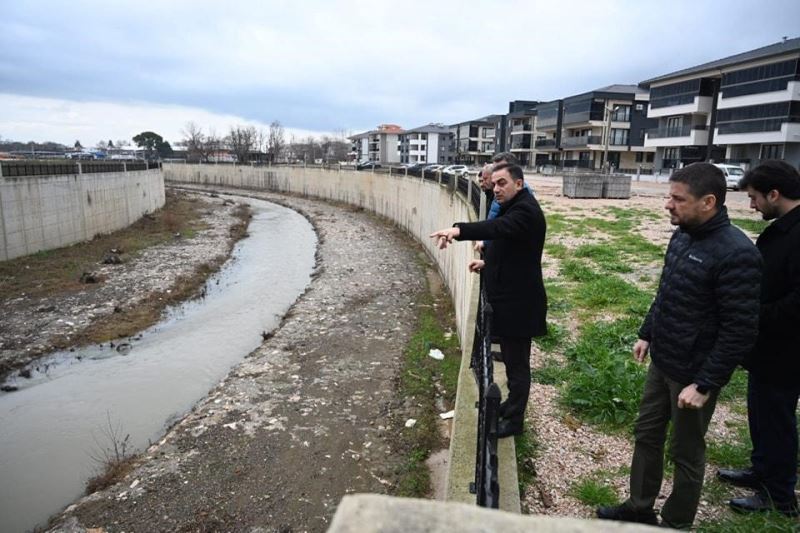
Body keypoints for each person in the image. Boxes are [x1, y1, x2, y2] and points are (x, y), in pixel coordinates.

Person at [596, 162, 762, 529]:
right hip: (663, 361)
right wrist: (647, 333)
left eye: (677, 198)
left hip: (694, 374)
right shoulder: (683, 234)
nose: (667, 205)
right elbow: (668, 291)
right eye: (669, 196)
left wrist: (704, 384)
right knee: (646, 434)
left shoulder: (737, 254)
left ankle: (676, 522)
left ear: (709, 202)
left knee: (686, 452)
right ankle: (639, 507)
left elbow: (741, 330)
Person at [430, 163, 547, 438]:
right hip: (510, 300)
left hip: (521, 306)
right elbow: (511, 249)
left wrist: (457, 230)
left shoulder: (525, 211)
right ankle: (510, 406)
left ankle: (515, 422)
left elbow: (498, 228)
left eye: (502, 183)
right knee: (510, 359)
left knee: (518, 368)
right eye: (494, 184)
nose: (496, 189)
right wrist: (486, 264)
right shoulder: (515, 207)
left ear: (519, 184)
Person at [717, 160, 800, 517]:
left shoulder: (797, 234)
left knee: (777, 419)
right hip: (768, 346)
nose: (752, 206)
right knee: (762, 414)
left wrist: (756, 315)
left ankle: (780, 496)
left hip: (787, 348)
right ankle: (761, 471)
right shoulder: (784, 228)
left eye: (754, 198)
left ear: (774, 194)